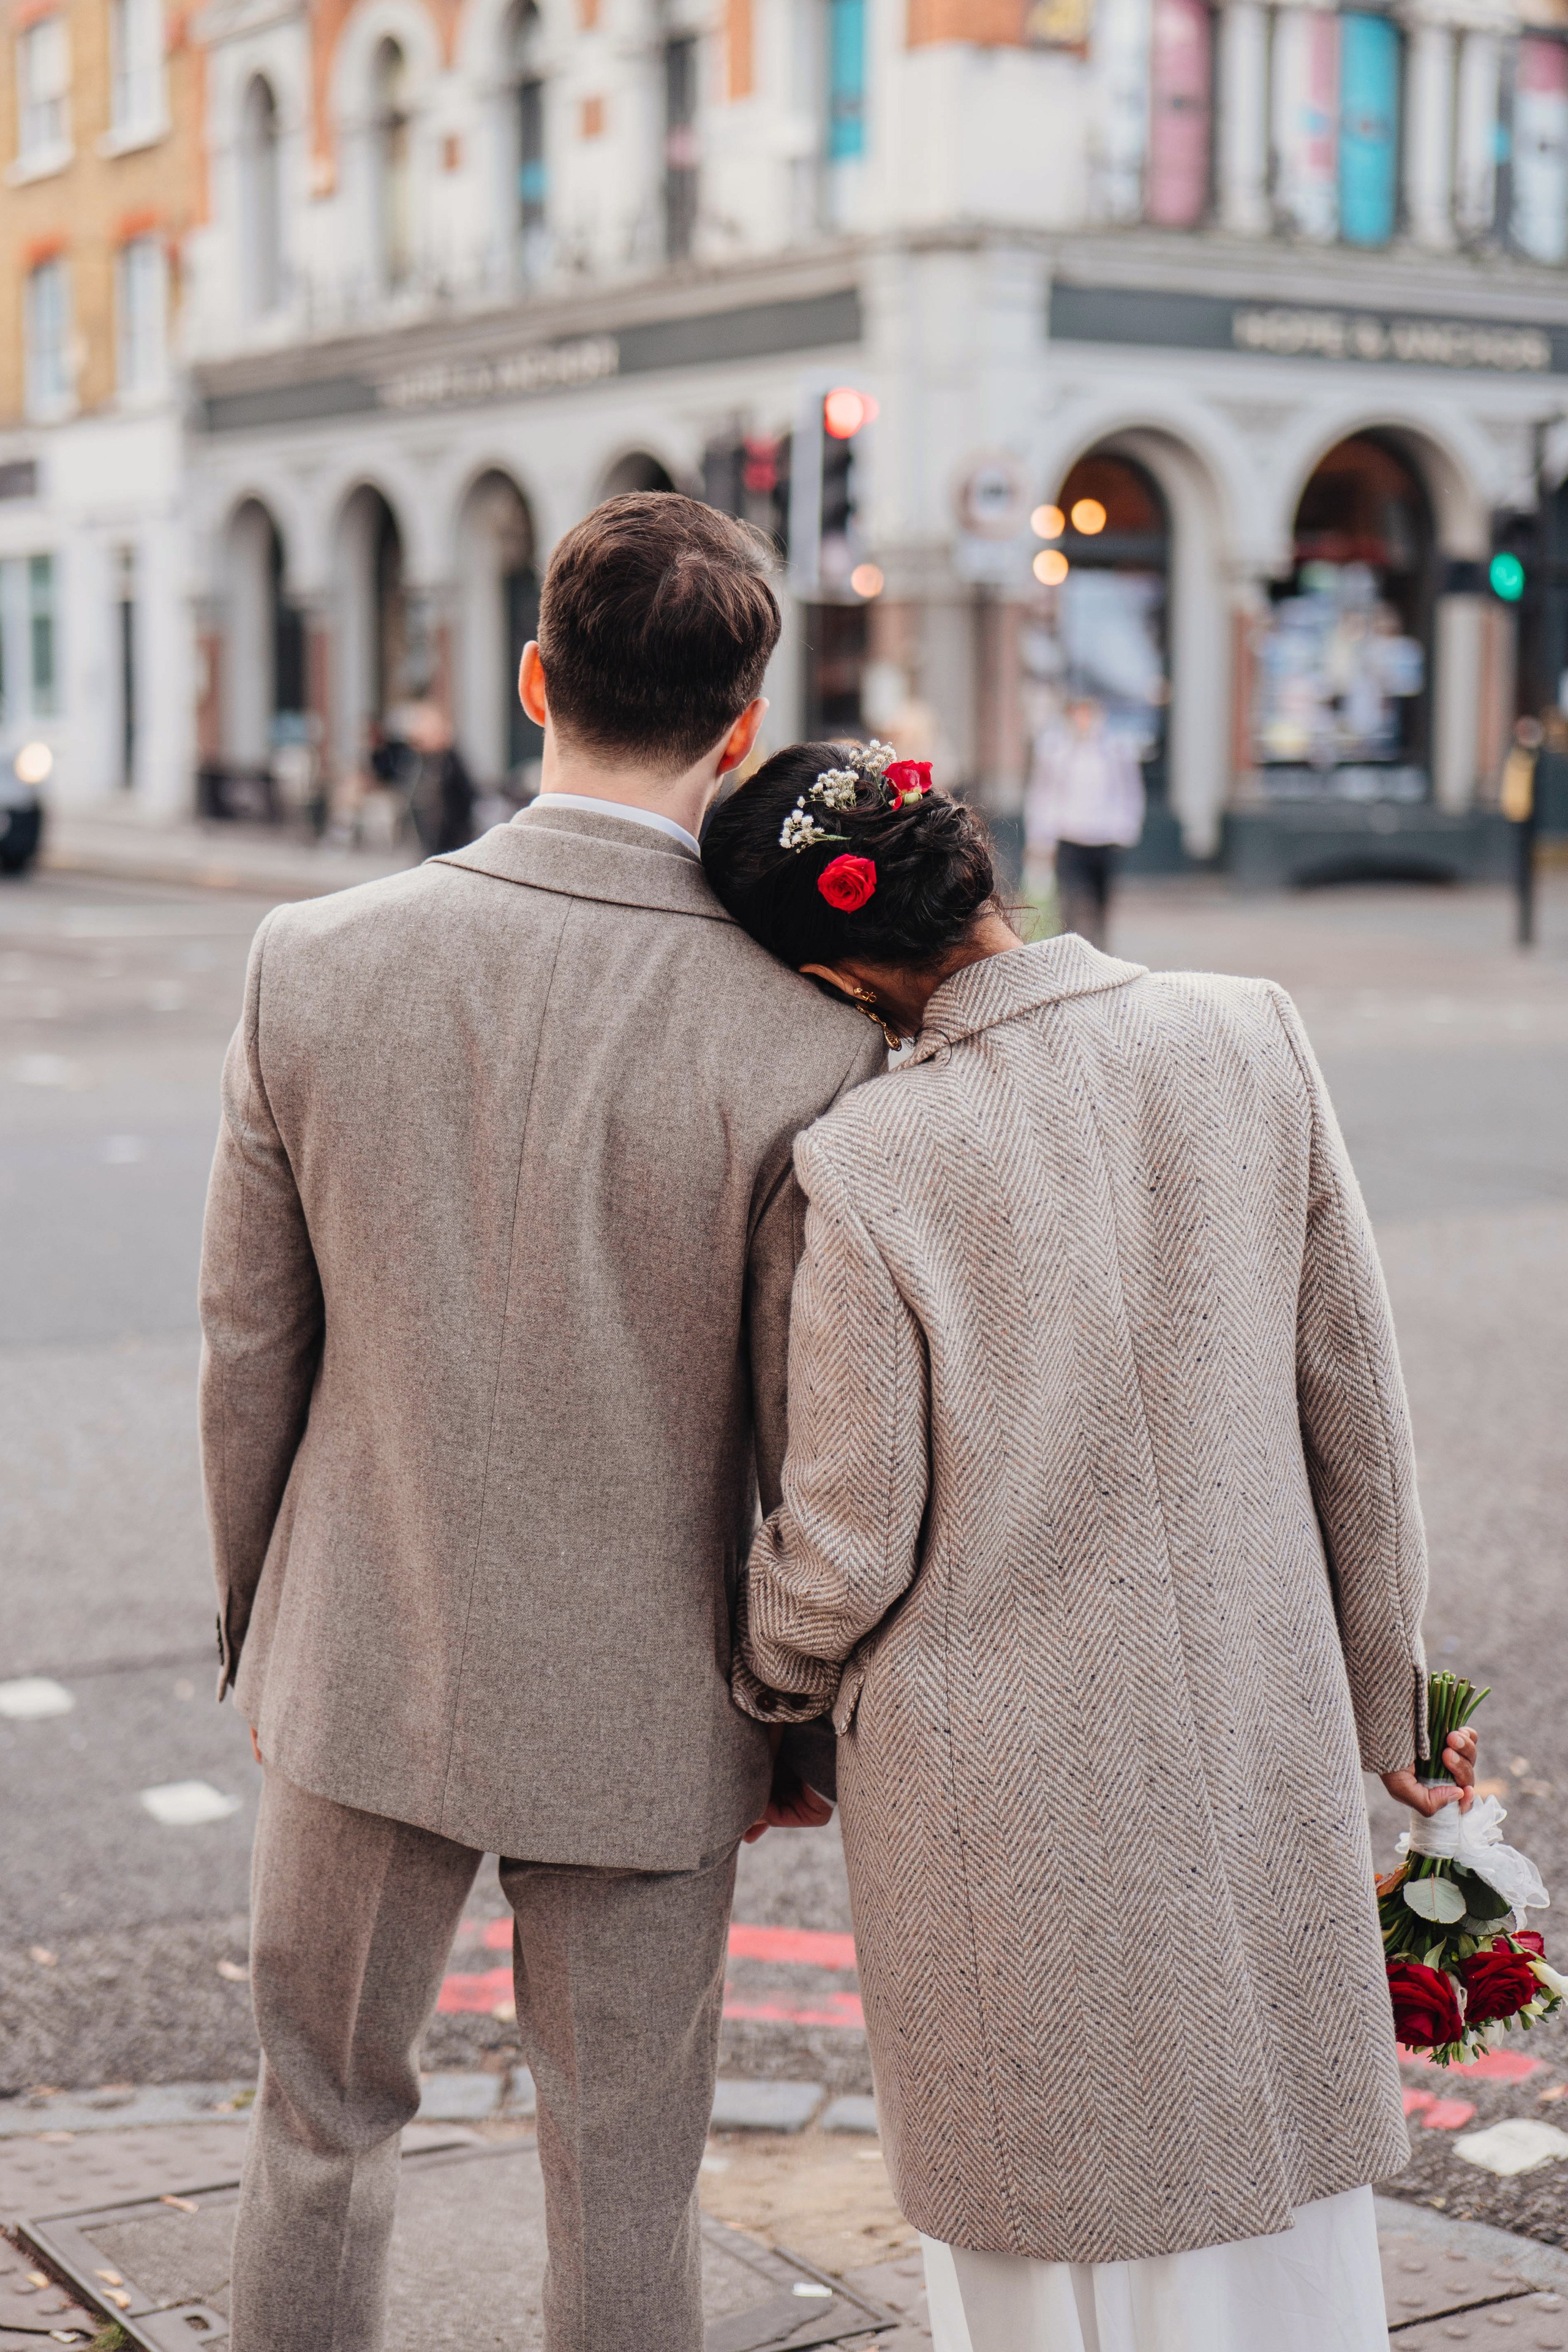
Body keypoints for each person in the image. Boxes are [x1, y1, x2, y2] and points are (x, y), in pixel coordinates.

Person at [198, 496, 881, 2352]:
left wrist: (265, 1611)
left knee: (319, 2117)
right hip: (653, 1696)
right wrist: (797, 1717)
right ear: (739, 726)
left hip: (361, 1656)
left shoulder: (314, 960)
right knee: (628, 2160)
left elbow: (248, 1350)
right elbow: (819, 1439)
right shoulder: (807, 1033)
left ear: (530, 678)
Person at [701, 744, 1478, 2352]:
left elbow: (845, 1546)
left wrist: (764, 1684)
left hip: (1004, 1804)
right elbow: (1357, 1407)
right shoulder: (1244, 1032)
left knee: (1056, 2235)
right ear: (979, 864)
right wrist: (1392, 1711)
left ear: (838, 970)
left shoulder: (865, 1162)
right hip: (1254, 1728)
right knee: (1276, 2191)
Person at [1026, 693, 1145, 946]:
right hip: (1069, 834)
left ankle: (1100, 947)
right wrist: (1040, 835)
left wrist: (1126, 827)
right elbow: (1043, 792)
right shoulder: (1055, 749)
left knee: (1102, 899)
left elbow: (1129, 790)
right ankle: (1071, 949)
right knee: (1072, 899)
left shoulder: (1115, 749)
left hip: (1104, 835)